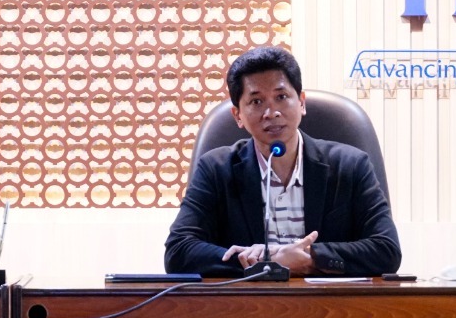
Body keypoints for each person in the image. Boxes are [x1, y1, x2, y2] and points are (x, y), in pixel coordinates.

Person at [165, 46, 401, 277]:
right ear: (238, 116)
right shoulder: (216, 169)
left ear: (301, 103)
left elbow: (387, 249)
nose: (271, 112)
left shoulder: (350, 165)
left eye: (281, 97)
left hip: (331, 308)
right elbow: (178, 252)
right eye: (256, 102)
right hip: (248, 309)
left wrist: (311, 256)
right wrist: (264, 262)